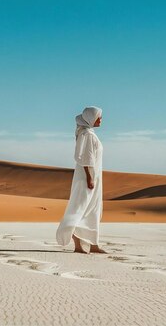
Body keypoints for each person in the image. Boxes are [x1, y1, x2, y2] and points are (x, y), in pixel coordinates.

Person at [55, 106, 107, 254]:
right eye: (98, 117)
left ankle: (94, 245)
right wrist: (90, 178)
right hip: (87, 177)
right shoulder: (87, 135)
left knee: (93, 209)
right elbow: (87, 159)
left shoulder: (89, 133)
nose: (101, 119)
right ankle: (77, 244)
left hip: (94, 176)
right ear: (91, 118)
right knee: (80, 208)